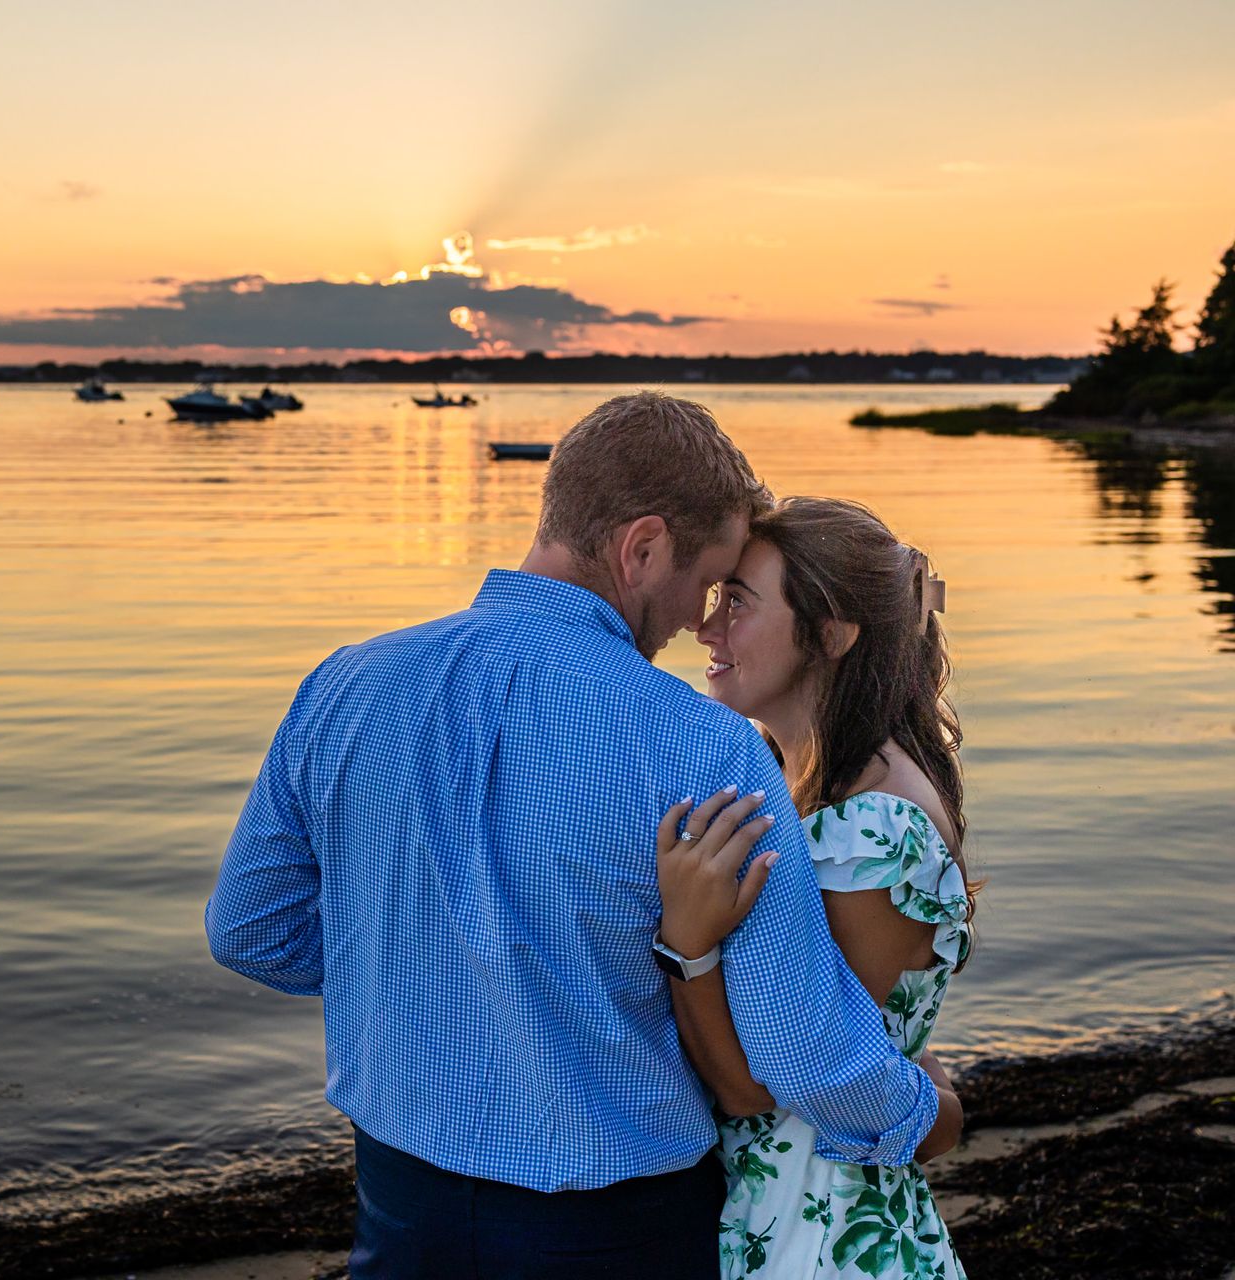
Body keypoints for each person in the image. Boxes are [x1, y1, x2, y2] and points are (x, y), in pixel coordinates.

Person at [205, 392, 948, 1279]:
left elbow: (249, 932)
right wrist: (927, 1110)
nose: (693, 622)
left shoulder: (347, 684)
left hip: (402, 1202)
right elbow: (802, 1050)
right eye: (701, 581)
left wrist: (421, 969)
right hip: (616, 1229)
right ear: (642, 547)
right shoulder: (702, 748)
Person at [655, 496, 974, 1278]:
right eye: (716, 596)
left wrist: (687, 943)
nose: (705, 627)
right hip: (804, 1206)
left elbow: (756, 1086)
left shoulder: (867, 836)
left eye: (739, 602)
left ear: (831, 635)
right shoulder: (818, 786)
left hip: (822, 1235)